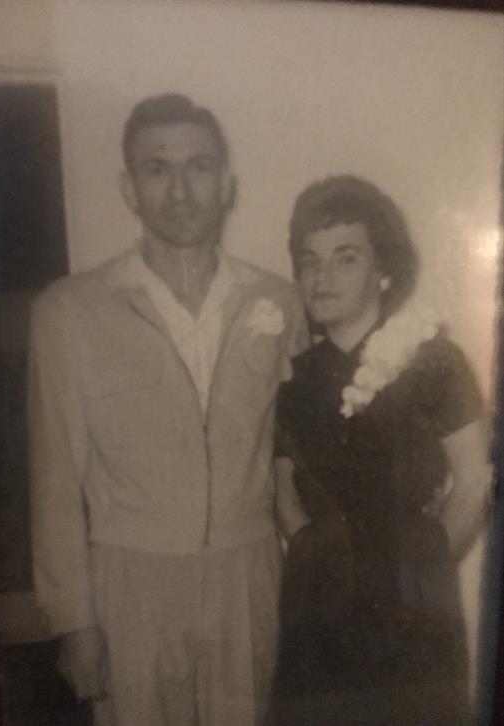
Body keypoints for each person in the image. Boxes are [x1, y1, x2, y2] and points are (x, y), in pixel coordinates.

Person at [28, 93, 308, 726]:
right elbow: (54, 482)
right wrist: (74, 621)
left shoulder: (280, 302)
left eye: (199, 166)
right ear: (129, 190)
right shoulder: (68, 312)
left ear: (226, 184)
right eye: (157, 169)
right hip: (130, 584)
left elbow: (300, 456)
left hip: (248, 577)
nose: (180, 191)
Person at [272, 175, 491, 725]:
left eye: (345, 258)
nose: (321, 277)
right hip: (318, 611)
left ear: (384, 268)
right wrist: (319, 558)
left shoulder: (436, 362)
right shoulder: (293, 380)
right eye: (309, 260)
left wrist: (421, 564)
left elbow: (474, 481)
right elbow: (283, 491)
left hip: (414, 611)